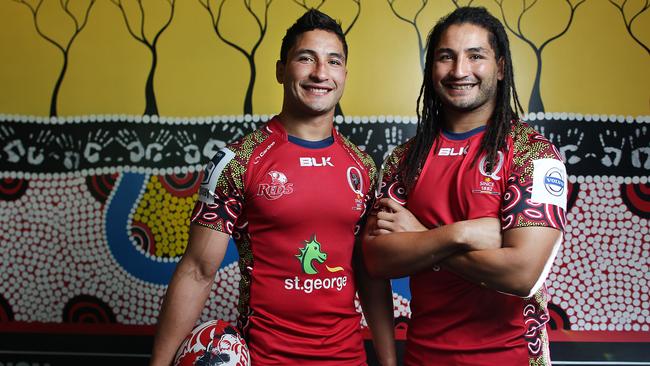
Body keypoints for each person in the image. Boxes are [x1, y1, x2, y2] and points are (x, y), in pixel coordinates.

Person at [149, 9, 396, 366]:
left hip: (348, 359)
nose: (320, 73)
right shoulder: (237, 161)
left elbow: (370, 273)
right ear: (281, 70)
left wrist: (388, 363)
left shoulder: (364, 167)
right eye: (306, 58)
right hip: (266, 358)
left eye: (333, 61)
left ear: (344, 74)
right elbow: (197, 270)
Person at [362, 6, 567, 365]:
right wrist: (460, 234)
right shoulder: (404, 160)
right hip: (423, 357)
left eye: (476, 56)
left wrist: (420, 235)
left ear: (500, 67)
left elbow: (521, 274)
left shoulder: (533, 154)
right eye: (446, 57)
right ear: (431, 69)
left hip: (512, 357)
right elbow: (376, 259)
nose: (459, 71)